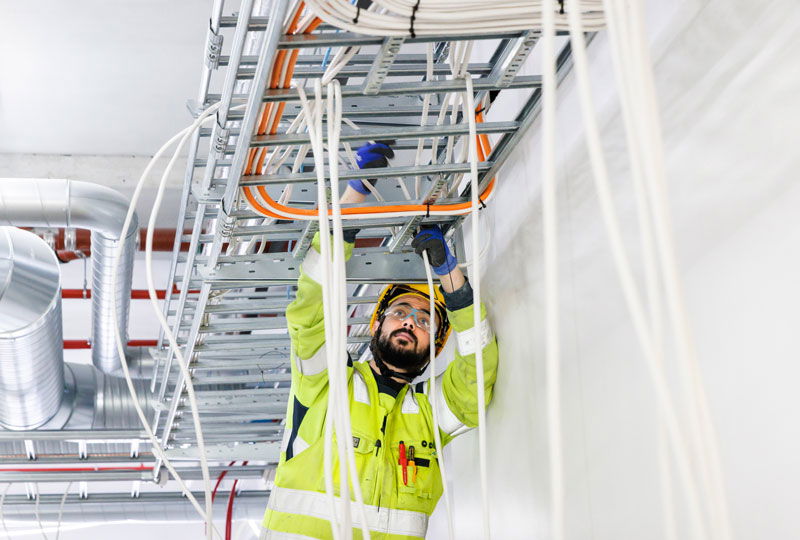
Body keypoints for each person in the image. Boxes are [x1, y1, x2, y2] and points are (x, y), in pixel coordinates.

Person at [261, 142, 499, 539]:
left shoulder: (431, 413)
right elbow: (310, 313)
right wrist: (353, 200)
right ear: (377, 325)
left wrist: (451, 279)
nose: (410, 322)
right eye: (400, 312)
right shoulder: (326, 384)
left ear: (436, 345)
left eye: (424, 320)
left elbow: (478, 370)